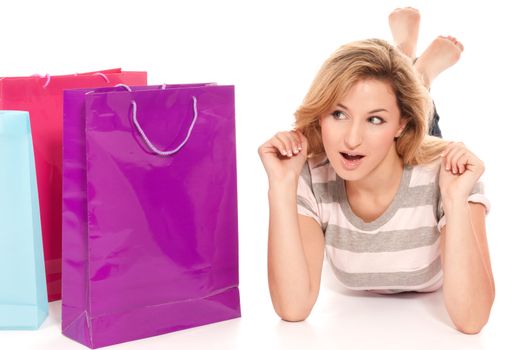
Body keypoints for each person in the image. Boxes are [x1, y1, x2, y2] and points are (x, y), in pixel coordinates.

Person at [258, 11, 494, 335]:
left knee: (427, 132)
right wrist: (282, 187)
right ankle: (410, 63)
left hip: (416, 156)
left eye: (375, 120)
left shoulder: (448, 175)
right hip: (393, 142)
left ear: (400, 125)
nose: (351, 139)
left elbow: (472, 320)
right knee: (393, 110)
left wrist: (454, 201)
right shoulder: (311, 176)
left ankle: (418, 72)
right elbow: (293, 308)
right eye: (338, 113)